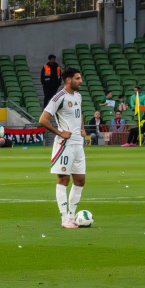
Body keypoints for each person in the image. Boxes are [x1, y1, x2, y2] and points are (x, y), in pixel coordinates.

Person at [38, 67, 86, 229]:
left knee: (80, 180)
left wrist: (82, 127)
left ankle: (72, 217)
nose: (80, 81)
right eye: (77, 78)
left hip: (78, 144)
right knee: (63, 179)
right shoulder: (59, 97)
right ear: (68, 80)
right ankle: (64, 219)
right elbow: (43, 119)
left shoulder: (78, 96)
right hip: (64, 145)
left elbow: (79, 112)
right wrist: (59, 132)